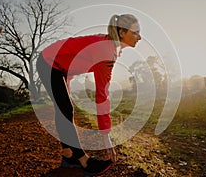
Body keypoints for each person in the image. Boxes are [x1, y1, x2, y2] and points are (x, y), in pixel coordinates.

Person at [36, 14, 141, 175]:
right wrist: (106, 137)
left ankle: (68, 155)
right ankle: (82, 160)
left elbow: (72, 55)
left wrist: (67, 83)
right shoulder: (106, 51)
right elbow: (102, 95)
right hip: (49, 62)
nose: (139, 37)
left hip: (59, 66)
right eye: (135, 32)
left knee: (63, 107)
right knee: (65, 108)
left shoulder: (110, 48)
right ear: (121, 33)